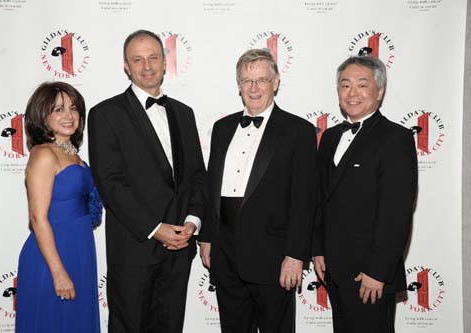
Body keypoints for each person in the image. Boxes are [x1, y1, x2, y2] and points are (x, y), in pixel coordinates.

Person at [88, 29, 206, 332]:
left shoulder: (184, 113)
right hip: (134, 250)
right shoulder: (105, 114)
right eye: (137, 60)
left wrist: (192, 222)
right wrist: (155, 229)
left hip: (179, 250)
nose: (147, 66)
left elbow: (196, 177)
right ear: (126, 66)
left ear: (166, 62)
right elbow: (110, 183)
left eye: (154, 57)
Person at [198, 49, 317, 333]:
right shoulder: (222, 128)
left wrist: (296, 255)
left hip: (274, 257)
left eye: (261, 80)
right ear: (238, 84)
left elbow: (305, 199)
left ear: (275, 82)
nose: (254, 88)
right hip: (225, 254)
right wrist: (207, 238)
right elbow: (211, 187)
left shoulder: (298, 131)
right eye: (247, 81)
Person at [312, 56, 418, 333]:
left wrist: (378, 271)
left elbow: (395, 213)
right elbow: (322, 200)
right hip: (334, 269)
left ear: (379, 91)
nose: (352, 93)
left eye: (362, 85)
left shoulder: (396, 138)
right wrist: (318, 249)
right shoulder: (331, 137)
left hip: (369, 274)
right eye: (345, 85)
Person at [15, 82, 101, 333]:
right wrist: (58, 272)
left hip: (79, 250)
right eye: (59, 109)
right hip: (52, 256)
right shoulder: (44, 154)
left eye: (73, 108)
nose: (69, 115)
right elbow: (37, 217)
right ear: (43, 115)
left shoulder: (74, 155)